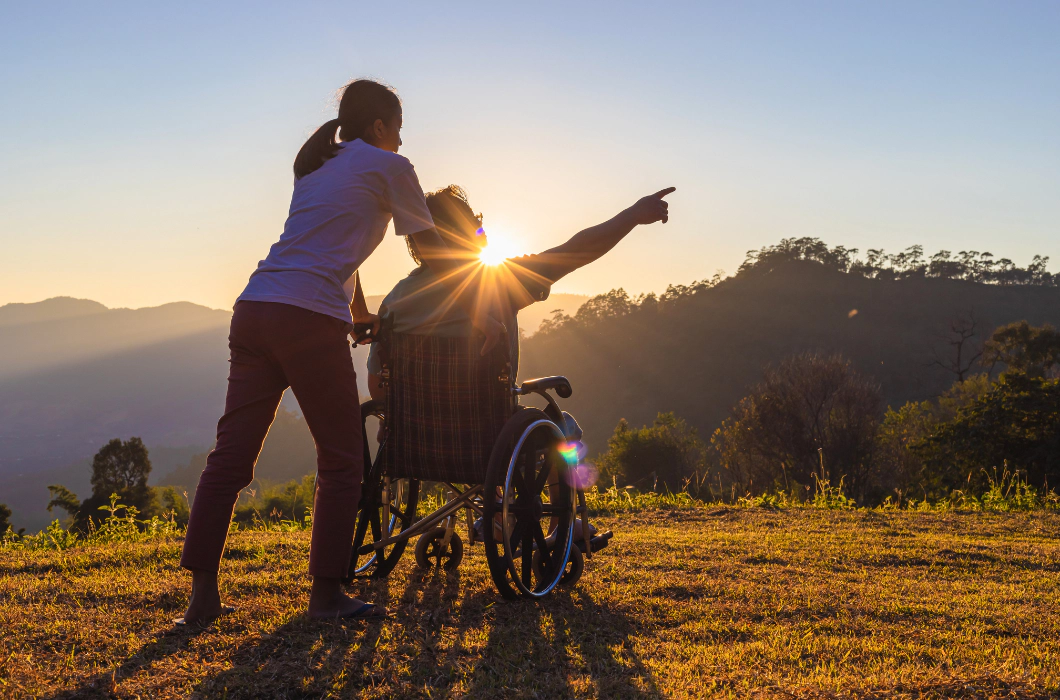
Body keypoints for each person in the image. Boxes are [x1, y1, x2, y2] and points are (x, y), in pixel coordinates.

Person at [177, 80, 497, 625]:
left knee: (229, 459)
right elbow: (437, 246)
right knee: (343, 459)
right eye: (397, 127)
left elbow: (335, 246)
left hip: (255, 308)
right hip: (306, 319)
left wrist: (357, 313)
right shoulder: (392, 167)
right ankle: (326, 598)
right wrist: (483, 245)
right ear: (379, 126)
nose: (401, 139)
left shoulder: (318, 163)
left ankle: (201, 599)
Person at [366, 184, 674, 541]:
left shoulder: (395, 300)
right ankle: (562, 527)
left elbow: (377, 386)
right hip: (487, 436)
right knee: (562, 425)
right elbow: (574, 252)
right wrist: (632, 216)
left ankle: (495, 517)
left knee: (491, 426)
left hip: (417, 439)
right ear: (472, 233)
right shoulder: (495, 282)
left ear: (416, 240)